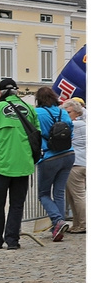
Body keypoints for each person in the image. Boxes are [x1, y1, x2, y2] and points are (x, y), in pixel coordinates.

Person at [0, 78, 38, 250]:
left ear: (0, 93)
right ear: (16, 92)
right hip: (23, 164)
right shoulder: (29, 109)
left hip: (1, 164)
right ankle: (12, 240)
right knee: (17, 204)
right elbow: (38, 134)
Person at [33, 86, 75, 241]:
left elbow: (34, 133)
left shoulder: (37, 113)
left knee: (43, 193)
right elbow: (70, 130)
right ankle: (58, 228)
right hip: (68, 154)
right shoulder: (63, 112)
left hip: (49, 156)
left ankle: (57, 220)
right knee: (59, 192)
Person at [61, 99, 85, 235]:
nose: (66, 114)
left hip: (77, 163)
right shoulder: (83, 123)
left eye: (68, 112)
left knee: (78, 196)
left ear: (76, 112)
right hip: (80, 162)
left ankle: (84, 223)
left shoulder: (75, 124)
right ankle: (77, 224)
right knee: (72, 196)